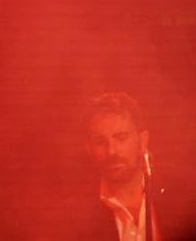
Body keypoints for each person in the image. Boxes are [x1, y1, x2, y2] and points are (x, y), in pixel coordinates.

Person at [58, 92, 196, 241]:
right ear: (89, 149)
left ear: (143, 141)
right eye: (100, 142)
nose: (111, 151)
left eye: (121, 138)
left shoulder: (186, 191)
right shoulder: (73, 216)